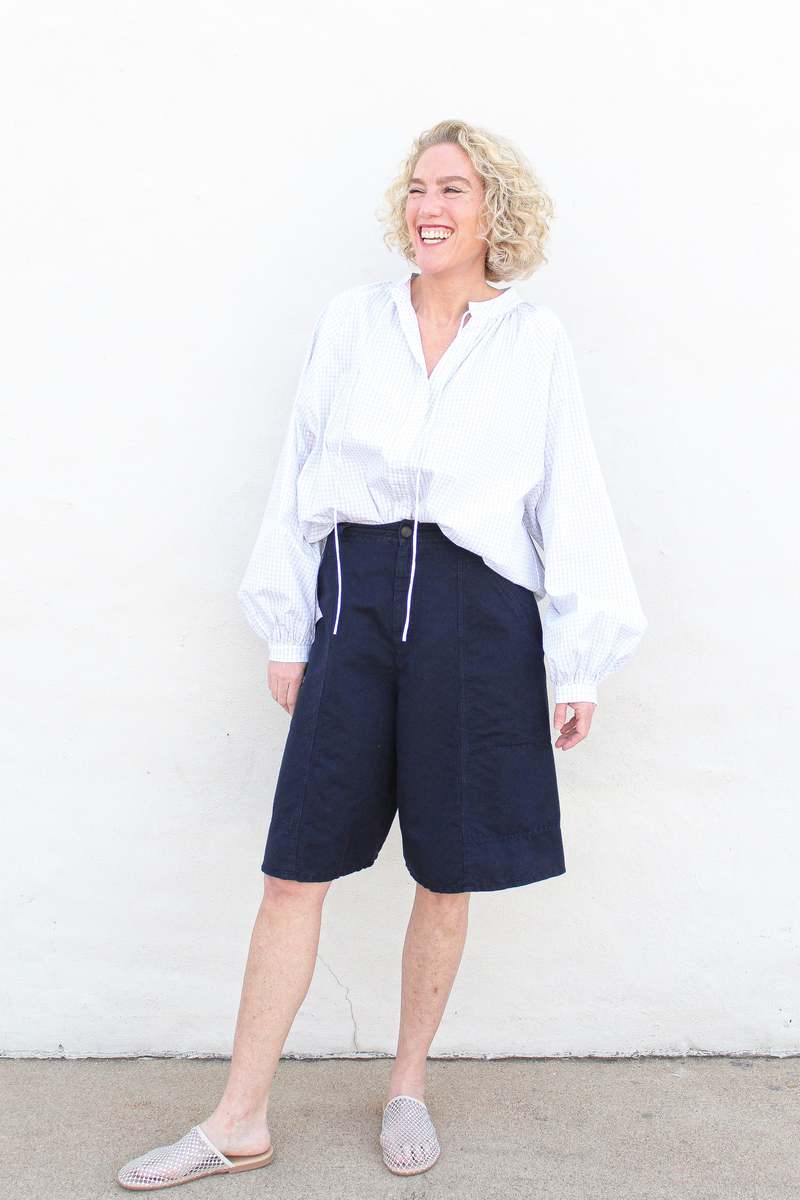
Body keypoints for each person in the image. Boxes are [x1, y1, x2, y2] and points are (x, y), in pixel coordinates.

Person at [116, 117, 648, 1190]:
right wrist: (287, 626)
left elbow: (567, 493)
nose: (428, 207)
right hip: (352, 599)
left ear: (494, 211)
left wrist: (578, 658)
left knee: (447, 872)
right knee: (293, 870)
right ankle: (238, 1117)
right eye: (417, 188)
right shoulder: (352, 322)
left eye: (452, 189)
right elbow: (298, 468)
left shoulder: (531, 340)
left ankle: (407, 1085)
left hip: (478, 612)